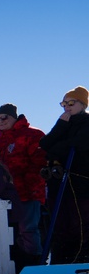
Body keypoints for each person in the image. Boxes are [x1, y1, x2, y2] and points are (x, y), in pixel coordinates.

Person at [0, 103, 47, 269]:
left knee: (28, 230)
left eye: (4, 117)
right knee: (8, 232)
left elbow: (40, 163)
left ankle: (34, 268)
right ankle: (14, 269)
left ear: (15, 117)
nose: (0, 121)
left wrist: (22, 183)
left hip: (28, 192)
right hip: (5, 196)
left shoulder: (33, 135)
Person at [40, 86, 89, 264]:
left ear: (83, 104)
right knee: (59, 225)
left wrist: (56, 149)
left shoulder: (86, 122)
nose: (66, 107)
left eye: (71, 103)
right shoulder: (64, 123)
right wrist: (60, 125)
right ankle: (59, 263)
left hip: (80, 181)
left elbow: (79, 144)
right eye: (64, 103)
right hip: (59, 181)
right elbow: (45, 144)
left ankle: (81, 260)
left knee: (80, 224)